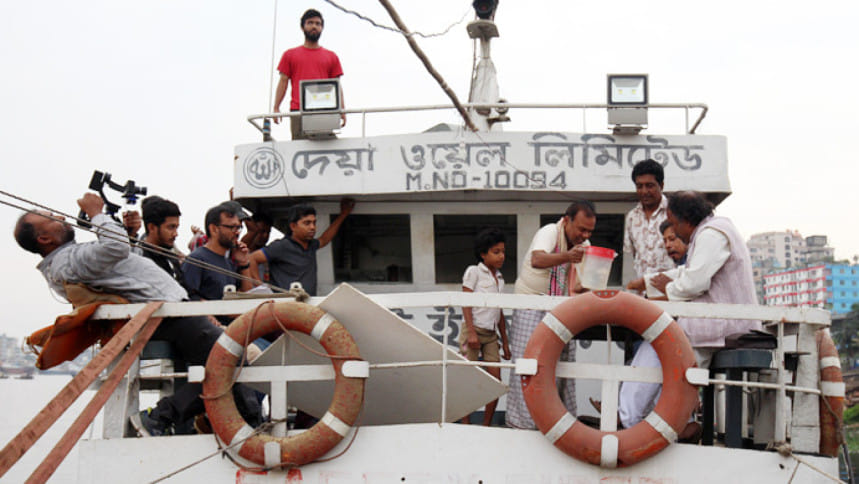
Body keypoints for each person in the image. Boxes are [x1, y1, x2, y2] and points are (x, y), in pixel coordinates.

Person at [13, 193, 261, 436]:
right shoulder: (69, 260)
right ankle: (161, 418)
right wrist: (97, 214)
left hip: (169, 312)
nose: (61, 217)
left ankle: (227, 421)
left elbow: (120, 259)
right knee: (233, 358)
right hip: (167, 315)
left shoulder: (69, 258)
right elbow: (115, 247)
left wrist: (128, 233)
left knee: (226, 365)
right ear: (44, 238)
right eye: (52, 218)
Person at [618, 191, 761, 432]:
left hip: (720, 326)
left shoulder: (711, 234)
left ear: (686, 220)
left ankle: (634, 419)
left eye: (674, 224)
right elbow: (688, 272)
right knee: (660, 351)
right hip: (722, 323)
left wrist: (663, 291)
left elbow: (694, 281)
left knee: (657, 347)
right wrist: (648, 282)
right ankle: (654, 420)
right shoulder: (713, 231)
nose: (674, 231)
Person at [506, 200, 596, 429]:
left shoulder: (583, 246)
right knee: (527, 365)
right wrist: (568, 256)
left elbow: (581, 285)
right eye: (581, 229)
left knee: (562, 364)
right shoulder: (550, 232)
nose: (585, 235)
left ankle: (561, 423)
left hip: (560, 308)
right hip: (531, 305)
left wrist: (592, 283)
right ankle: (523, 425)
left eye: (589, 231)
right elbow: (537, 259)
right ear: (566, 221)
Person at [248, 199, 354, 296]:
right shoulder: (282, 246)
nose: (312, 227)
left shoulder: (311, 245)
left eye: (314, 223)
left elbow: (324, 239)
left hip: (306, 304)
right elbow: (252, 259)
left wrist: (343, 214)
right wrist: (263, 290)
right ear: (293, 226)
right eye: (307, 223)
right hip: (284, 306)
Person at [459, 228, 510, 426]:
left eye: (503, 251)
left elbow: (499, 312)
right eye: (496, 252)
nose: (501, 256)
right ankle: (465, 424)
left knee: (495, 382)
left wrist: (505, 342)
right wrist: (471, 333)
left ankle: (486, 425)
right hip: (473, 331)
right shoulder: (473, 272)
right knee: (467, 379)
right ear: (483, 254)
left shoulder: (500, 278)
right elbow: (466, 302)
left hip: (491, 335)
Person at [273, 8, 345, 139]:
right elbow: (283, 81)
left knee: (328, 145)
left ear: (322, 28)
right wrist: (276, 107)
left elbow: (337, 85)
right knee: (300, 146)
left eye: (318, 24)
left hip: (325, 109)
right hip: (298, 110)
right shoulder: (290, 55)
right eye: (310, 23)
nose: (314, 26)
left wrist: (342, 110)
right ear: (302, 27)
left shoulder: (331, 56)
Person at [182, 203, 253, 314]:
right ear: (214, 229)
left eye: (239, 228)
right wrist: (210, 317)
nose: (237, 232)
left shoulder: (228, 262)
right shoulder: (197, 259)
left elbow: (247, 296)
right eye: (232, 227)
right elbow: (187, 297)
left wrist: (244, 263)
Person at [624, 159, 674, 291]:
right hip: (643, 294)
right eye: (639, 186)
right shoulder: (631, 218)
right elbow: (634, 255)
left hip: (670, 292)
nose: (644, 191)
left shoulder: (674, 212)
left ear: (661, 185)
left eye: (649, 186)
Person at [626, 220, 688, 292]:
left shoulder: (692, 261)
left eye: (672, 239)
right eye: (665, 241)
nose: (667, 245)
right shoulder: (680, 261)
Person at [134, 195, 184, 283]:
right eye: (171, 227)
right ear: (152, 227)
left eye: (176, 227)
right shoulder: (139, 260)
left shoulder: (172, 258)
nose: (175, 234)